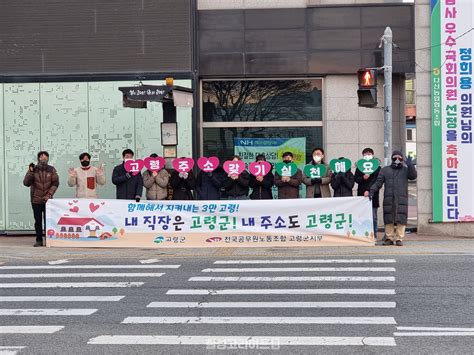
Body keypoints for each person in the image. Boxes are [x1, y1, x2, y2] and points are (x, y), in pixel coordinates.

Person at [369, 150, 417, 246]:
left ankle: (399, 238)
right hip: (389, 198)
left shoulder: (405, 170)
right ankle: (389, 238)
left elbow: (413, 176)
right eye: (395, 157)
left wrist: (410, 166)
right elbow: (378, 182)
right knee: (389, 218)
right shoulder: (385, 170)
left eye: (399, 158)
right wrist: (371, 191)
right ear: (392, 158)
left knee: (401, 218)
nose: (397, 159)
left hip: (401, 198)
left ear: (402, 159)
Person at [23, 151, 59, 247]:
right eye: (42, 157)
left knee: (48, 221)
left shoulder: (52, 169)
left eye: (46, 157)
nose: (44, 158)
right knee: (38, 221)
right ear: (38, 158)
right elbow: (26, 183)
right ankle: (39, 240)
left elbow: (55, 183)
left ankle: (48, 240)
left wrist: (49, 194)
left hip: (48, 200)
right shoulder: (33, 169)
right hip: (36, 200)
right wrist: (30, 172)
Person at [354, 148, 381, 235]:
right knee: (362, 215)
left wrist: (369, 190)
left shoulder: (377, 167)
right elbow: (356, 179)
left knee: (373, 216)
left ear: (373, 155)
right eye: (365, 154)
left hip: (373, 194)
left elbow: (377, 181)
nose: (367, 155)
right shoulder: (359, 167)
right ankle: (363, 234)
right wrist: (363, 178)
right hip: (362, 194)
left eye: (369, 153)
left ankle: (374, 235)